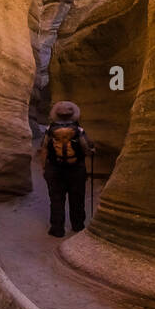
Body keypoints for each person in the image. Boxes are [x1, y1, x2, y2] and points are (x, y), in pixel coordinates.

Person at [42, 101, 93, 238]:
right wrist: (92, 151)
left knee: (56, 200)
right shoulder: (79, 130)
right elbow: (86, 150)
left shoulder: (49, 130)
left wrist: (44, 168)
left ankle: (57, 229)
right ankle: (78, 226)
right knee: (77, 198)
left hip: (55, 168)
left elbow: (44, 149)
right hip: (76, 169)